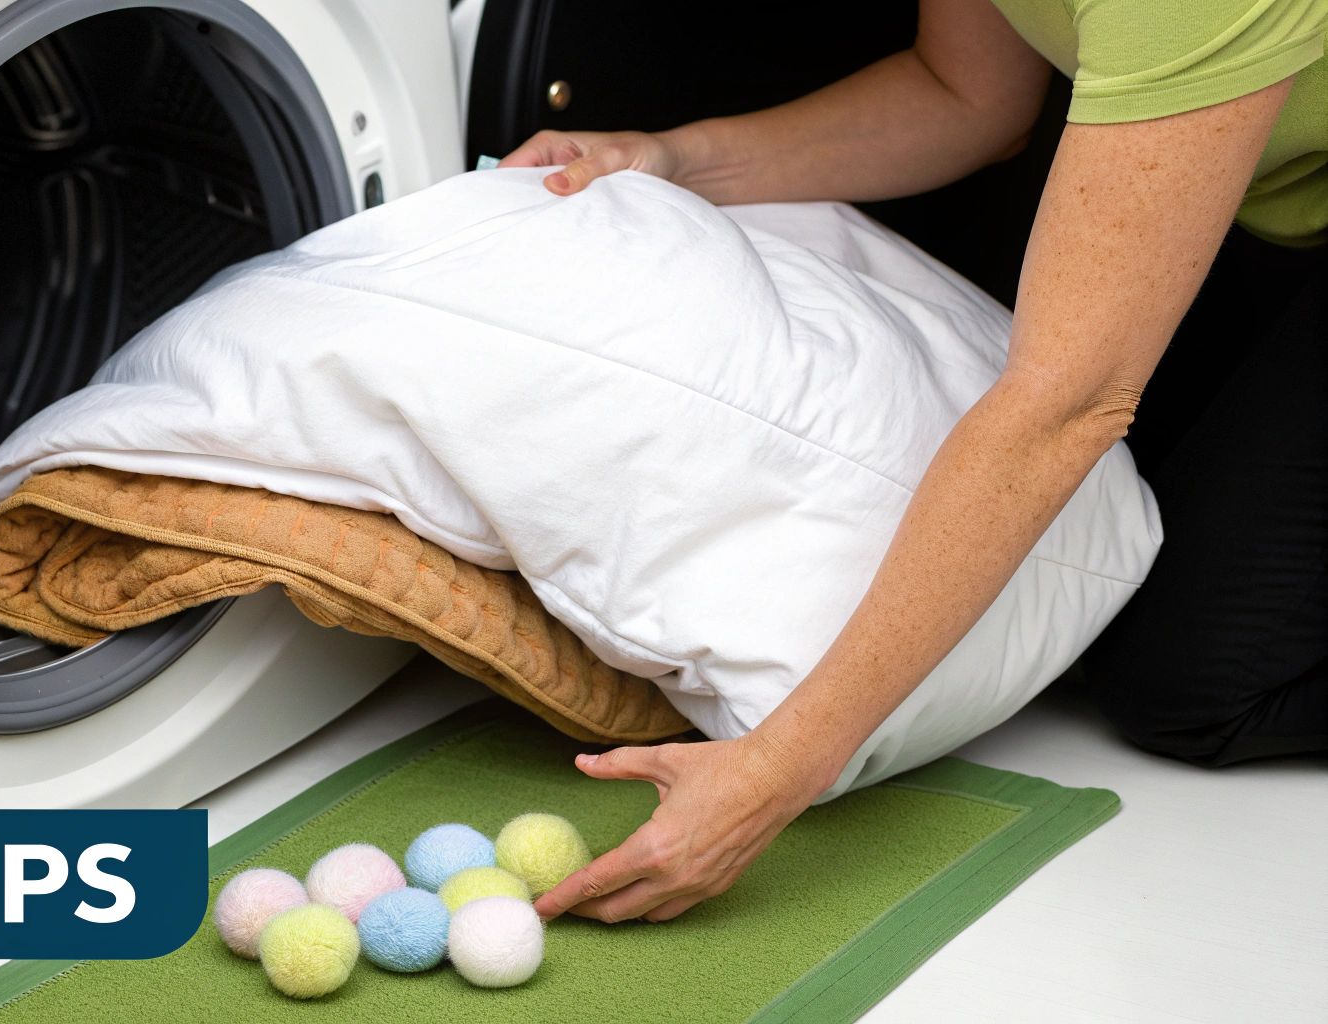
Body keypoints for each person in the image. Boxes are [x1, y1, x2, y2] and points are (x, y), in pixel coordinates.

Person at [503, 0, 1327, 924]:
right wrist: (670, 158)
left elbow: (1069, 406)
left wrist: (774, 771)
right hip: (1280, 209)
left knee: (1196, 681)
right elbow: (967, 98)